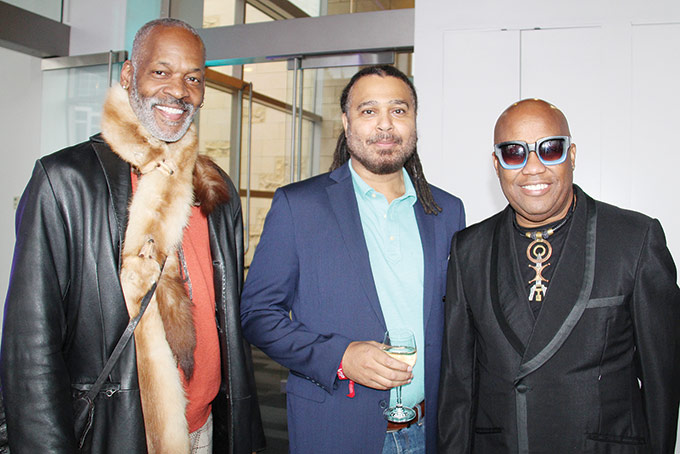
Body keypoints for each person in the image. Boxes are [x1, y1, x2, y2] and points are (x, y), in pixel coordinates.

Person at [0, 18, 265, 454]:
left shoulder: (214, 187)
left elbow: (230, 327)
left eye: (193, 78)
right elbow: (31, 344)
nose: (179, 91)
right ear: (128, 75)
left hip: (204, 430)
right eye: (161, 71)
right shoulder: (65, 180)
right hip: (113, 434)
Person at [240, 65, 465, 454]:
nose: (385, 124)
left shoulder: (446, 211)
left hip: (429, 430)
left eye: (398, 110)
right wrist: (340, 357)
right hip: (335, 429)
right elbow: (257, 315)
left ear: (414, 121)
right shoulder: (299, 206)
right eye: (368, 110)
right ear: (346, 122)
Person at [438, 98, 680, 453]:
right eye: (514, 153)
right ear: (497, 164)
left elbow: (663, 381)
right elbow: (458, 385)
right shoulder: (469, 250)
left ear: (572, 155)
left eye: (550, 149)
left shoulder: (634, 239)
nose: (533, 167)